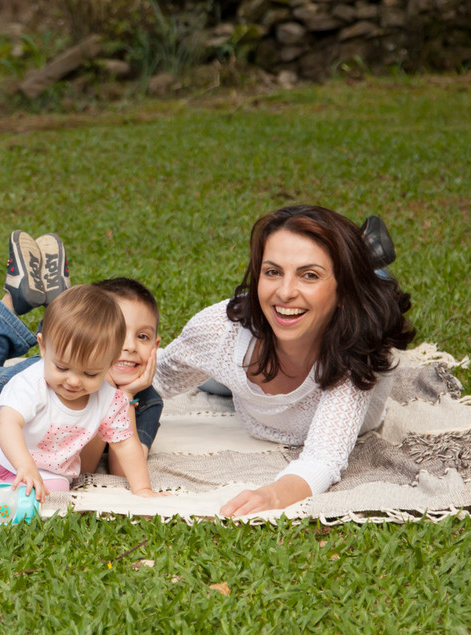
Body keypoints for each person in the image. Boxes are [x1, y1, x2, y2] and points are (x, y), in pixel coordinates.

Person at [153, 205, 415, 517]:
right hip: (242, 391)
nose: (286, 292)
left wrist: (272, 496)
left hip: (351, 325)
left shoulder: (355, 352)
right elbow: (154, 377)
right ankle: (355, 254)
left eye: (309, 275)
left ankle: (369, 260)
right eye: (273, 272)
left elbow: (324, 459)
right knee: (215, 379)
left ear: (341, 289)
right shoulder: (221, 331)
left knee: (377, 296)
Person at [0, 285, 164, 520]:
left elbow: (126, 444)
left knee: (56, 489)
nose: (73, 381)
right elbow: (8, 424)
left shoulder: (110, 399)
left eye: (90, 373)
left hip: (43, 466)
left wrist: (143, 489)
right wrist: (24, 465)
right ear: (43, 348)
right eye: (62, 367)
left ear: (109, 362)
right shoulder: (32, 381)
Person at [0, 231, 163, 477]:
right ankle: (14, 300)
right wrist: (93, 382)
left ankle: (56, 306)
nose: (129, 346)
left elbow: (110, 469)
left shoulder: (148, 401)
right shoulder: (39, 381)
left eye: (142, 337)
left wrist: (123, 396)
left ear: (156, 345)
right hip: (30, 384)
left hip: (61, 366)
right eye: (120, 336)